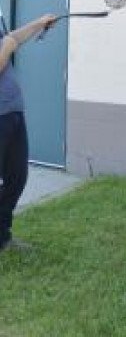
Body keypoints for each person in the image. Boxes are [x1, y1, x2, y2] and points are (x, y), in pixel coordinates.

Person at [0, 14, 57, 252]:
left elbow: (10, 38)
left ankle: (2, 236)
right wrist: (7, 48)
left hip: (12, 111)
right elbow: (7, 46)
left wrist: (38, 24)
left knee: (17, 177)